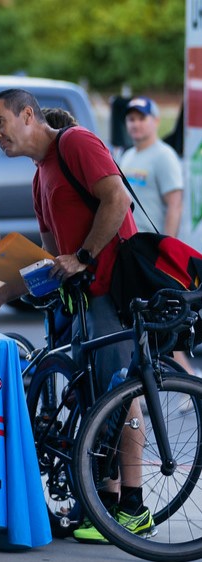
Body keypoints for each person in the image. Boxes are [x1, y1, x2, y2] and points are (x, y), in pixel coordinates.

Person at [0, 89, 156, 544]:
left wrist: (85, 256)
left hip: (113, 290)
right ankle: (104, 506)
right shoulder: (39, 176)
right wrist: (1, 293)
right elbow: (51, 261)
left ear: (27, 115)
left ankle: (130, 506)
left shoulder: (75, 143)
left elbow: (117, 201)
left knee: (118, 393)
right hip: (82, 301)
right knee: (97, 398)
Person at [120, 96, 202, 412]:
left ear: (155, 121)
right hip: (132, 253)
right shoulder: (127, 155)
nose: (136, 124)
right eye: (131, 119)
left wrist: (164, 245)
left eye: (142, 118)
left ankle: (187, 382)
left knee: (164, 322)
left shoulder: (163, 156)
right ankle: (176, 382)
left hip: (153, 255)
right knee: (150, 322)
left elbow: (175, 202)